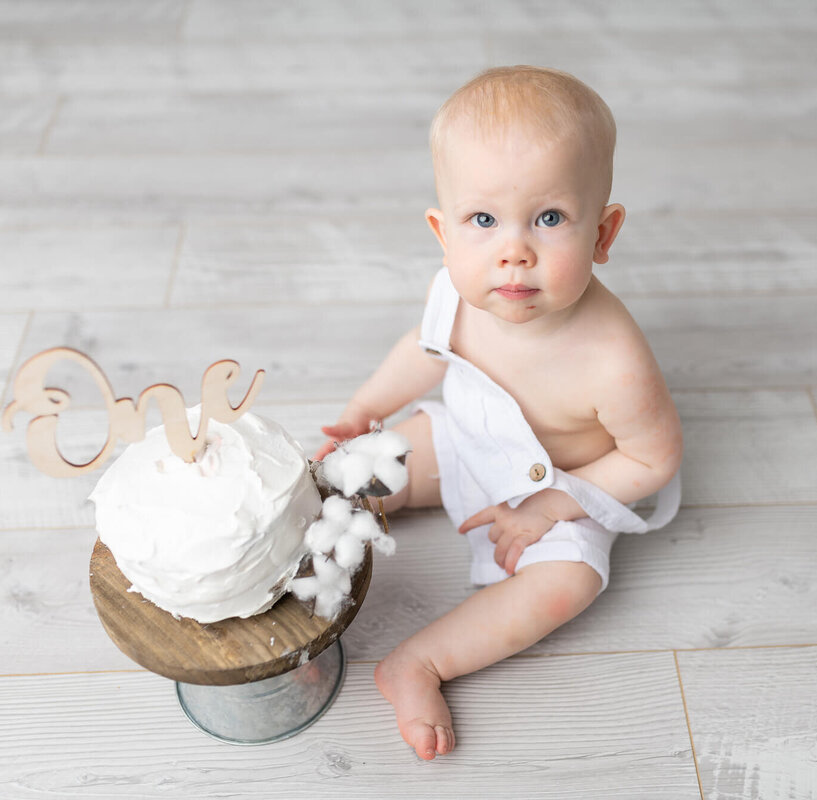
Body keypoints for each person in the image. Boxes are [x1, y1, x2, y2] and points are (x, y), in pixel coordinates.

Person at [314, 65, 683, 761]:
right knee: (344, 472)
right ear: (442, 231)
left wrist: (549, 509)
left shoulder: (613, 357)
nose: (514, 250)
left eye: (549, 218)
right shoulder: (456, 293)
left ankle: (420, 663)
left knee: (567, 583)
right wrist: (367, 408)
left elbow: (652, 459)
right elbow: (424, 353)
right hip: (465, 441)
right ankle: (279, 566)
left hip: (565, 485)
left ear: (603, 234)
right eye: (483, 220)